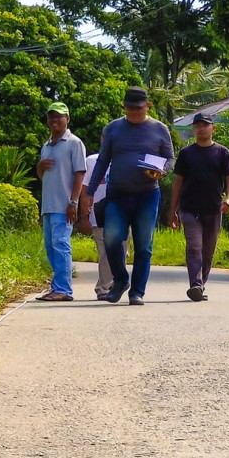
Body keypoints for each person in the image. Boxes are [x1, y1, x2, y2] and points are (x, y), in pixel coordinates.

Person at [86, 86, 174, 306]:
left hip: (147, 195)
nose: (134, 112)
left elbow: (170, 158)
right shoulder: (113, 128)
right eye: (130, 108)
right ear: (124, 107)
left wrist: (161, 171)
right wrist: (90, 192)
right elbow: (103, 161)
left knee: (143, 245)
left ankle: (137, 292)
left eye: (138, 108)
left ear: (148, 106)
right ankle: (120, 280)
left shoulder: (160, 129)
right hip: (117, 194)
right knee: (112, 238)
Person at [169, 112, 229, 302]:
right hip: (189, 208)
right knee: (194, 247)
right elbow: (178, 182)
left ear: (213, 128)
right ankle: (195, 285)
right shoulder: (186, 153)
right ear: (193, 129)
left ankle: (200, 284)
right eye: (197, 125)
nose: (201, 128)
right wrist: (173, 210)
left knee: (208, 251)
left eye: (205, 125)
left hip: (213, 209)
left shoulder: (222, 153)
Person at [35, 101, 87, 302]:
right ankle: (57, 287)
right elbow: (44, 177)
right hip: (48, 205)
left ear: (67, 119)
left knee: (61, 244)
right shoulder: (46, 145)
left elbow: (80, 174)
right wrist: (40, 166)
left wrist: (73, 202)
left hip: (64, 205)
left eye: (59, 116)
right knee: (51, 247)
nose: (54, 120)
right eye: (51, 116)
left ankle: (64, 290)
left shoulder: (74, 143)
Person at [79, 140, 130, 300]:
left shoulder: (126, 160)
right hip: (99, 213)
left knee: (121, 252)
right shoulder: (92, 161)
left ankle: (117, 283)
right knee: (106, 253)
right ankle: (103, 288)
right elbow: (84, 190)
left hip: (124, 214)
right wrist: (84, 216)